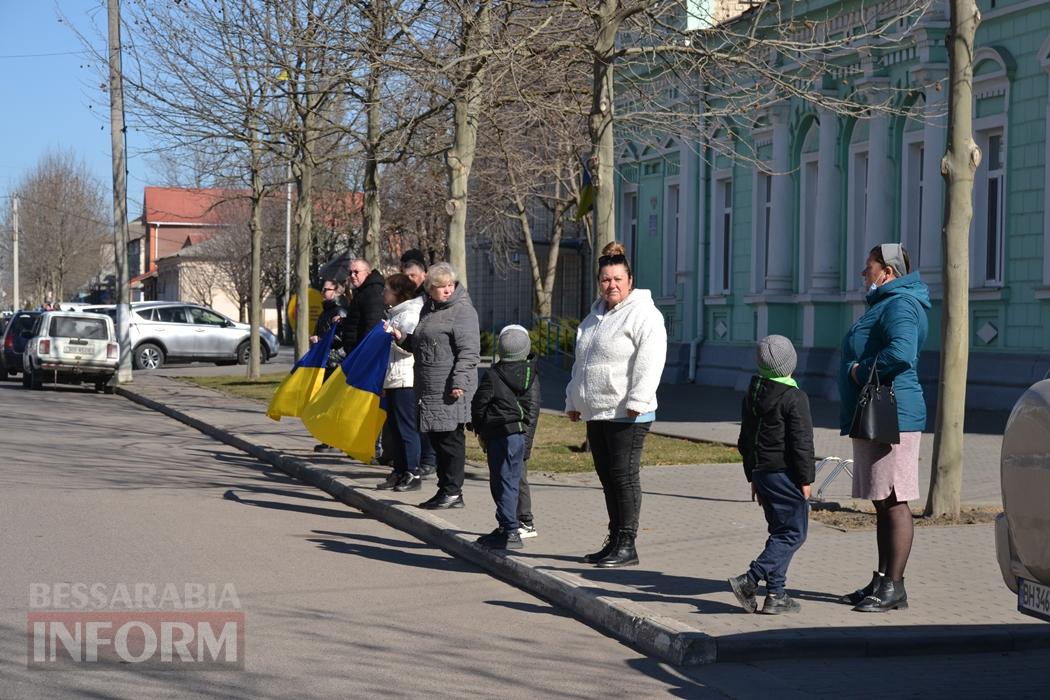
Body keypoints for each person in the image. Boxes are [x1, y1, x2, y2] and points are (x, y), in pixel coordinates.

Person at [838, 243, 930, 613]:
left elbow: (902, 353)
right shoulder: (887, 303)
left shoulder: (900, 304)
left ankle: (895, 586)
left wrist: (859, 371)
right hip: (879, 412)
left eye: (868, 267)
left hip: (894, 415)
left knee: (894, 499)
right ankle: (881, 581)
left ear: (887, 272)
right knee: (882, 500)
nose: (863, 274)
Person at [565, 241, 667, 568]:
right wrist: (572, 399)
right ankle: (614, 540)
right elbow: (580, 364)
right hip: (597, 410)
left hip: (628, 412)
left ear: (630, 281)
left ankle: (628, 543)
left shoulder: (644, 313)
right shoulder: (594, 317)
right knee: (607, 476)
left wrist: (638, 398)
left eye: (618, 279)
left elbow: (650, 360)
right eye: (606, 280)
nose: (612, 285)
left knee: (624, 476)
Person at [729, 335, 814, 615]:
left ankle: (776, 594)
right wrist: (805, 479)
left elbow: (746, 440)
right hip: (785, 475)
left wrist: (752, 475)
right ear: (791, 363)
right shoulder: (795, 397)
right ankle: (750, 580)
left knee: (779, 533)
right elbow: (801, 443)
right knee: (793, 534)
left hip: (763, 474)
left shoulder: (752, 395)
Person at [388, 262, 480, 510]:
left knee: (450, 441)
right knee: (438, 441)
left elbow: (469, 352)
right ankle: (444, 489)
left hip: (450, 388)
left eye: (450, 285)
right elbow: (421, 345)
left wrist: (459, 381)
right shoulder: (429, 309)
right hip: (429, 388)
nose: (447, 290)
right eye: (441, 287)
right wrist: (402, 339)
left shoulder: (462, 311)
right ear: (429, 289)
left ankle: (453, 492)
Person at [470, 325, 540, 550]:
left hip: (499, 435)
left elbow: (479, 404)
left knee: (501, 482)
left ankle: (509, 529)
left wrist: (479, 428)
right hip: (518, 435)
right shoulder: (530, 374)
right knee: (511, 480)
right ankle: (506, 526)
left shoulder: (493, 375)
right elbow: (531, 407)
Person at [376, 274, 425, 492]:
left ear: (398, 292)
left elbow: (411, 348)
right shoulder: (395, 314)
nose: (383, 293)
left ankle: (412, 472)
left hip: (405, 379)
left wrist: (394, 336)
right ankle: (399, 471)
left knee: (406, 428)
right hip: (393, 378)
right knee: (394, 428)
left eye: (387, 289)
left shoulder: (410, 315)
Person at [310, 279, 347, 454]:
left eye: (327, 289)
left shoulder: (339, 311)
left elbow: (342, 337)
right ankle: (328, 439)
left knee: (333, 402)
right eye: (323, 289)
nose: (323, 292)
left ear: (337, 292)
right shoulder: (327, 311)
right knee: (326, 401)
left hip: (335, 361)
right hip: (327, 360)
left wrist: (322, 340)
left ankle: (333, 440)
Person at [342, 258, 386, 353]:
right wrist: (343, 322)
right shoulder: (362, 291)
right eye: (350, 273)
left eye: (356, 272)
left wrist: (362, 352)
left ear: (367, 272)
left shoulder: (372, 292)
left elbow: (373, 324)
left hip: (362, 352)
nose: (352, 276)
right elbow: (359, 320)